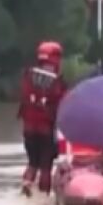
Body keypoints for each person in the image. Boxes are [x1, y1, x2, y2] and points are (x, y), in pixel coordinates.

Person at [18, 41, 68, 196]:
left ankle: (27, 183)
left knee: (32, 162)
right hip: (46, 129)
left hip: (28, 129)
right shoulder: (58, 82)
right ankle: (43, 197)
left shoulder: (28, 76)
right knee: (46, 166)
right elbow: (64, 102)